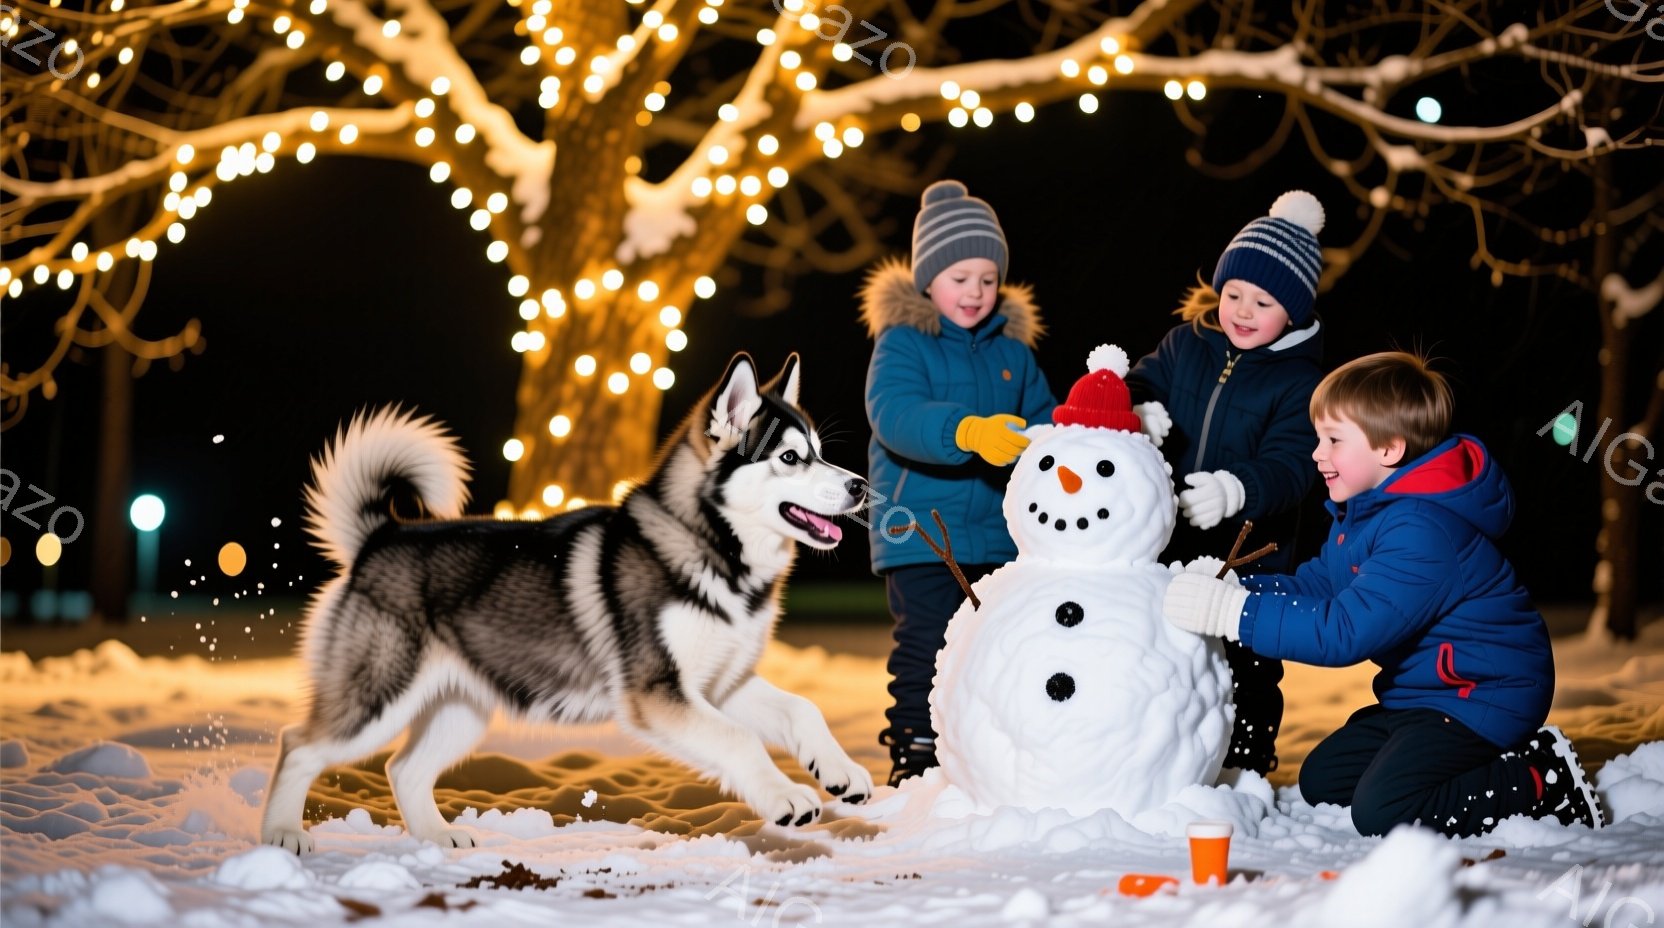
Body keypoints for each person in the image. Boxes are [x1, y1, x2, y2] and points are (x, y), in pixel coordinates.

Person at [1161, 352, 1605, 836]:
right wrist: (1238, 586)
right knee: (1324, 780)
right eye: (1318, 438)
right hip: (1423, 696)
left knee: (1383, 810)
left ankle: (1539, 780)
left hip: (1483, 694)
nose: (1317, 453)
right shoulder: (1363, 515)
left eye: (1334, 440)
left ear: (1389, 450)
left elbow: (1344, 632)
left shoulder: (1421, 531)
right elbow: (1319, 586)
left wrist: (1236, 614)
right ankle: (1454, 760)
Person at [861, 180, 1058, 786]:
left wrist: (1063, 437)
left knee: (993, 644)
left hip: (997, 535)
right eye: (959, 277)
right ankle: (916, 750)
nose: (975, 291)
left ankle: (984, 750)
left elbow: (1045, 421)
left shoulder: (1013, 353)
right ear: (928, 279)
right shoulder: (903, 342)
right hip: (919, 530)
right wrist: (966, 430)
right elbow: (895, 415)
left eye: (988, 278)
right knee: (926, 642)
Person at [1125, 190, 1328, 775]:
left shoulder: (1300, 381)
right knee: (1169, 652)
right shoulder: (1186, 343)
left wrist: (1237, 489)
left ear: (1293, 312)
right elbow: (1141, 381)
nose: (1242, 311)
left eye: (1263, 302)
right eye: (1234, 293)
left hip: (1251, 554)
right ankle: (1167, 757)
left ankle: (1246, 762)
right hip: (1173, 542)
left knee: (1247, 664)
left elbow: (1293, 465)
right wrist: (1138, 408)